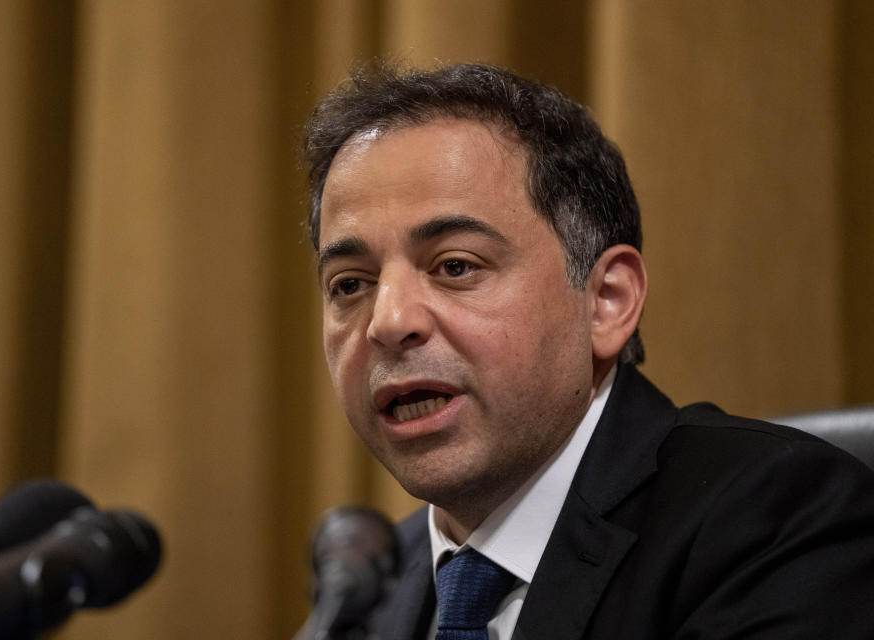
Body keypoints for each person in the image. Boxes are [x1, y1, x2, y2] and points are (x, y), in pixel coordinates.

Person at [301, 62, 874, 639]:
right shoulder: (370, 596)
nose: (389, 321)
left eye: (455, 266)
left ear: (606, 301)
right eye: (350, 284)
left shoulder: (773, 520)